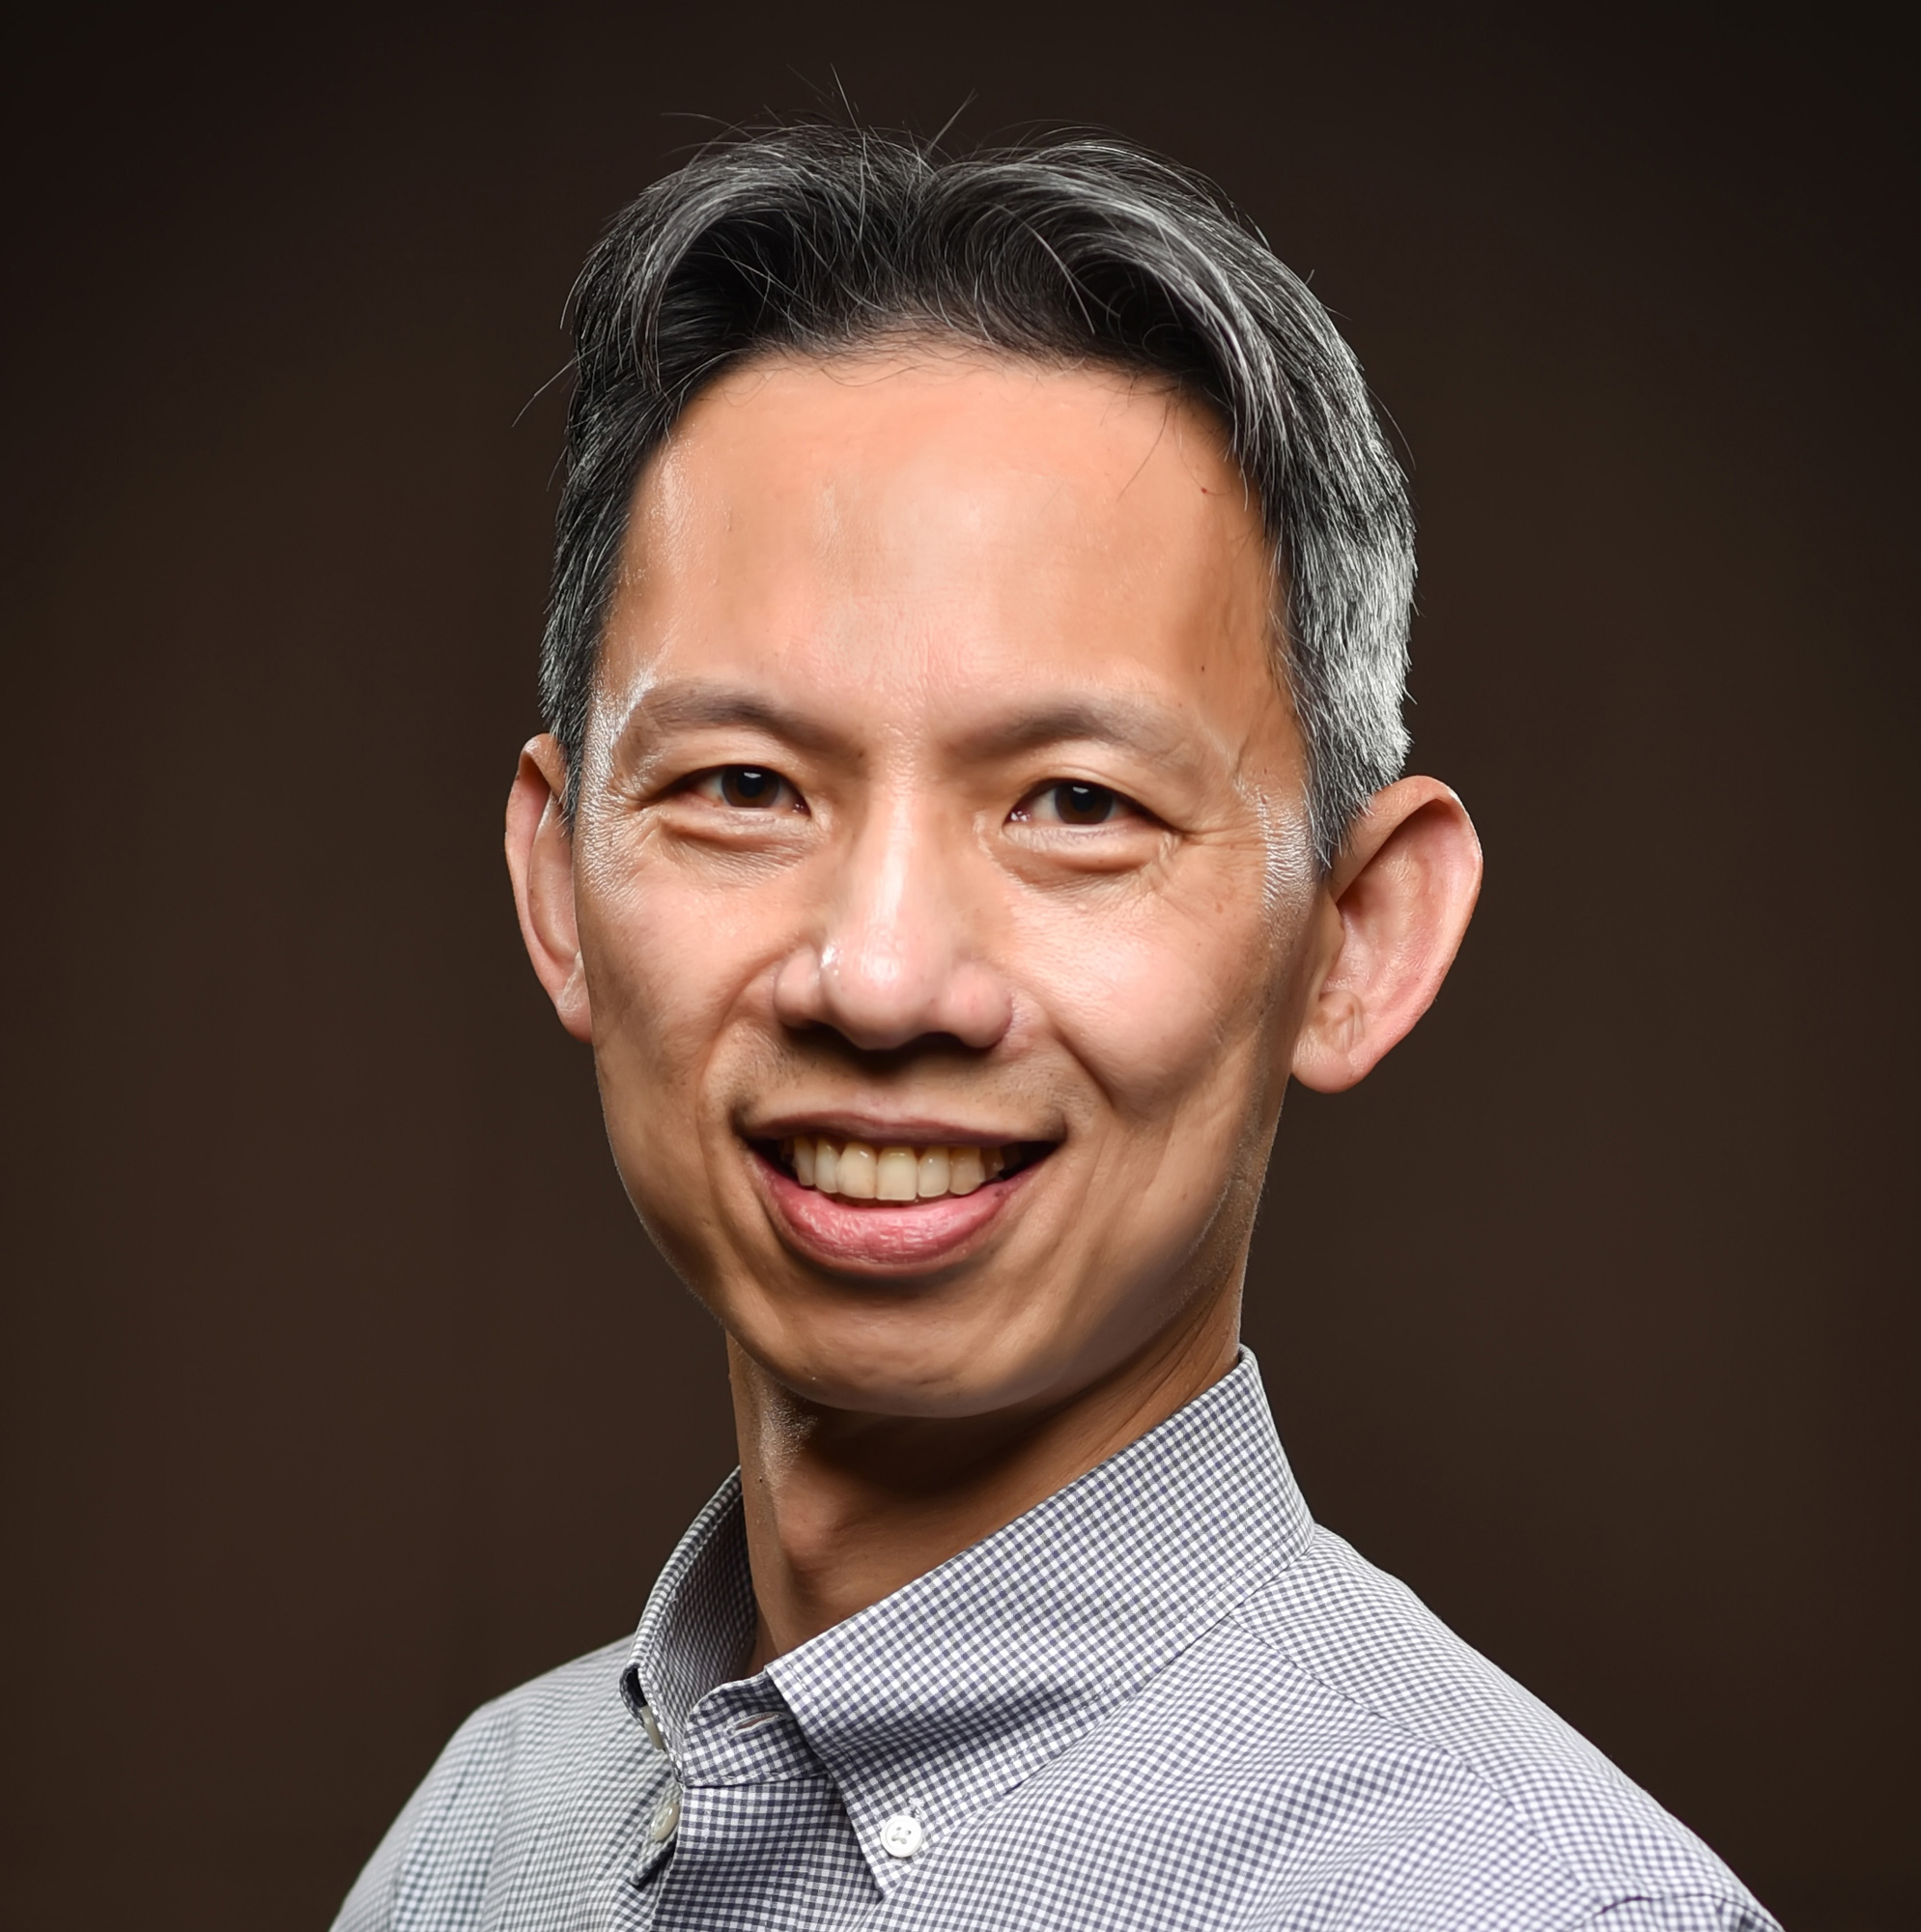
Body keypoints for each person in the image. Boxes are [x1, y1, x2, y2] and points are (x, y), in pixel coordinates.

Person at [334, 125, 1776, 1931]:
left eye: (1078, 805)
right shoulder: (487, 1841)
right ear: (560, 889)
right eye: (742, 785)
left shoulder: (1537, 1907)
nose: (877, 976)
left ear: (1358, 934)